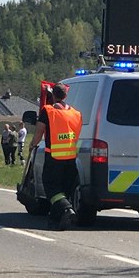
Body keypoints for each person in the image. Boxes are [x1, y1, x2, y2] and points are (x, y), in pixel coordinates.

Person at [29, 82, 82, 231]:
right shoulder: (76, 114)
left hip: (54, 157)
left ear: (53, 95)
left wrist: (32, 145)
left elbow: (39, 132)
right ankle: (56, 220)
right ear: (66, 95)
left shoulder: (48, 111)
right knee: (64, 189)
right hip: (71, 158)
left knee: (51, 187)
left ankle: (66, 209)